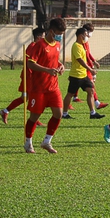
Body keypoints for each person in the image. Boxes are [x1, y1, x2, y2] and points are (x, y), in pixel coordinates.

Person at [23, 18, 67, 154]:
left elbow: (54, 60)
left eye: (62, 33)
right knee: (34, 117)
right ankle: (28, 142)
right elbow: (30, 63)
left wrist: (60, 65)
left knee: (58, 114)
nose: (60, 35)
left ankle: (47, 141)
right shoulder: (40, 45)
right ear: (51, 31)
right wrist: (47, 70)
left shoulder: (57, 44)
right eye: (59, 33)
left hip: (53, 87)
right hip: (39, 88)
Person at [0, 27, 46, 126]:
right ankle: (34, 119)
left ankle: (5, 111)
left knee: (25, 98)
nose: (45, 38)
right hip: (29, 77)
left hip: (31, 76)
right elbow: (30, 62)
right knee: (34, 97)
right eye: (43, 36)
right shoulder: (32, 46)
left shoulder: (36, 46)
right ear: (38, 37)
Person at [62, 27, 105, 120]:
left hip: (83, 75)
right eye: (86, 35)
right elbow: (80, 60)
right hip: (76, 75)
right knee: (70, 94)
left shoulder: (82, 45)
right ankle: (64, 113)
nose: (87, 36)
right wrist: (90, 69)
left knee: (91, 91)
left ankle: (92, 113)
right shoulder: (76, 46)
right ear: (80, 36)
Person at [72, 23, 108, 111]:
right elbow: (84, 56)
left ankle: (75, 99)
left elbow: (88, 53)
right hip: (84, 68)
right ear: (85, 32)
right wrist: (90, 66)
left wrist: (94, 61)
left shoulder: (84, 41)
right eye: (90, 32)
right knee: (90, 85)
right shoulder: (81, 43)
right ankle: (96, 104)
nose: (90, 34)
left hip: (85, 67)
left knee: (76, 86)